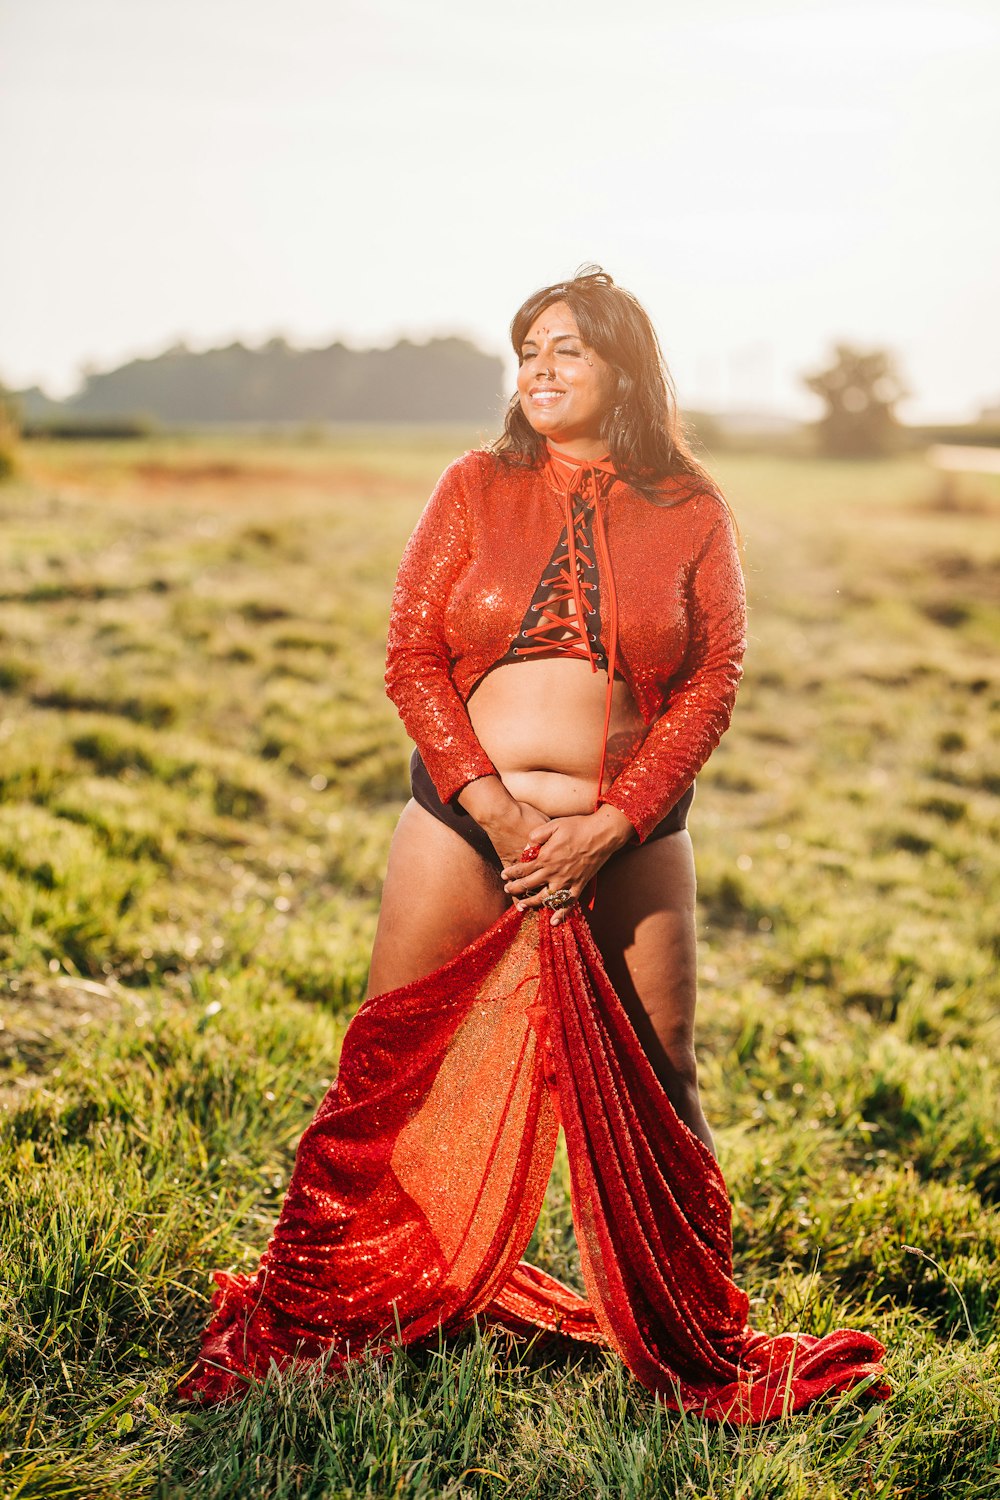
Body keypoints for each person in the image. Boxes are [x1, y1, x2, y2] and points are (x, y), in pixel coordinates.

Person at [179, 269, 887, 1421]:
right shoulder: (473, 483)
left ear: (623, 367)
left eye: (566, 350)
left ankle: (689, 1333)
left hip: (631, 828)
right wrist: (498, 812)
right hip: (467, 822)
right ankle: (325, 1309)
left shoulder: (691, 506)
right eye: (528, 352)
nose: (539, 371)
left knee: (665, 1075)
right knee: (388, 1068)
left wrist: (614, 823)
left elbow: (714, 677)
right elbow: (409, 657)